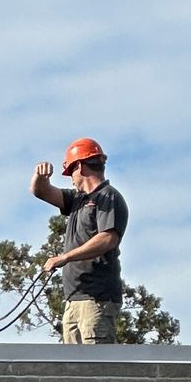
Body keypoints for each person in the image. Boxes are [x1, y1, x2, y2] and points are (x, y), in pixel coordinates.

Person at [30, 138, 128, 344]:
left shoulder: (108, 197)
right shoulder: (77, 200)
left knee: (96, 368)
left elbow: (108, 238)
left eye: (71, 173)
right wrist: (40, 177)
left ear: (80, 167)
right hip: (74, 299)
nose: (71, 179)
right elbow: (41, 191)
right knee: (73, 369)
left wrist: (65, 257)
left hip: (96, 299)